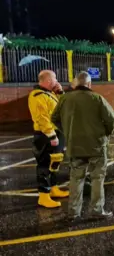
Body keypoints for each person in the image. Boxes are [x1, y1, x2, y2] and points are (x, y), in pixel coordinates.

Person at [51, 71, 114, 220]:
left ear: (76, 83)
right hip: (97, 145)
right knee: (97, 178)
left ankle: (73, 213)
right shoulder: (96, 98)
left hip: (75, 145)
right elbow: (111, 119)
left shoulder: (65, 99)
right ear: (89, 84)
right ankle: (97, 210)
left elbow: (54, 117)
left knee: (76, 178)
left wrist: (67, 131)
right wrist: (106, 134)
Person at [28, 70, 70, 208]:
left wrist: (60, 93)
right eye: (54, 79)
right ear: (48, 81)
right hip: (46, 136)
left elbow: (63, 108)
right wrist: (51, 135)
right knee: (44, 165)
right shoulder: (37, 96)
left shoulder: (50, 93)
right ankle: (44, 196)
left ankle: (53, 188)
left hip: (57, 133)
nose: (57, 81)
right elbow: (42, 118)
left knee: (55, 163)